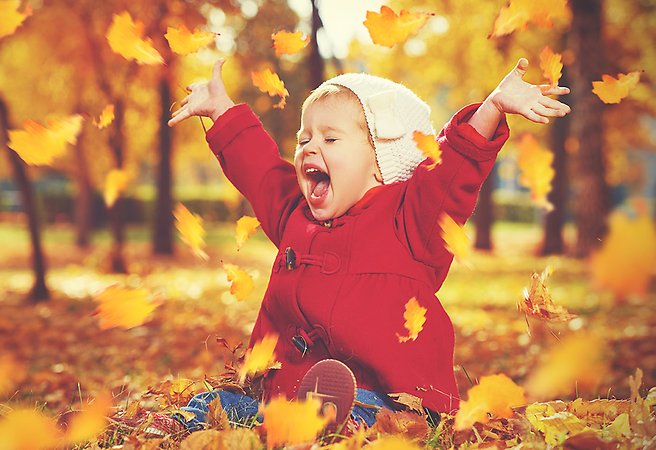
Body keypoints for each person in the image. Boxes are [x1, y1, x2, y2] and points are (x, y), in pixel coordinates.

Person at [129, 57, 569, 439]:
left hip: (389, 402)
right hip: (286, 395)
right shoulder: (295, 215)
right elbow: (261, 170)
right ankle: (198, 423)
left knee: (361, 417)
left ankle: (326, 429)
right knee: (217, 405)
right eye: (304, 139)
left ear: (381, 161)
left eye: (330, 139)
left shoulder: (411, 221)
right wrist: (221, 110)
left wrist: (491, 108)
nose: (309, 148)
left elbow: (452, 172)